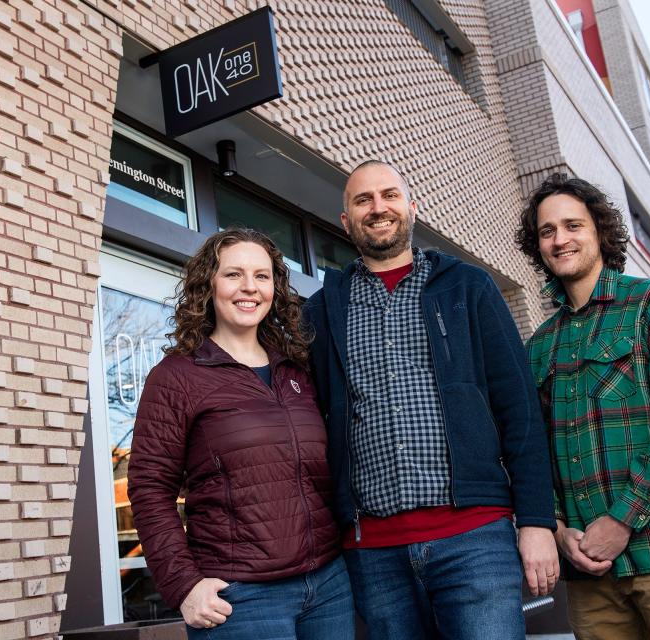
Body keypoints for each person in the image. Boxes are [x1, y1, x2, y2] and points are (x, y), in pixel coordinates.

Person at [302, 160, 558, 640]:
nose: (378, 208)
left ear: (412, 207)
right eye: (363, 200)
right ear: (345, 220)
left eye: (389, 196)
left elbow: (519, 409)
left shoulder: (468, 287)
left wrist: (538, 521)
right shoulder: (321, 310)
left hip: (475, 540)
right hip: (373, 553)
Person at [515, 173, 650, 639]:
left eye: (572, 225)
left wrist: (621, 520)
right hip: (589, 572)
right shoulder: (538, 346)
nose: (561, 240)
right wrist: (557, 528)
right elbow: (533, 451)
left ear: (599, 230)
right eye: (547, 231)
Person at [127, 229, 354, 639]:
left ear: (275, 288)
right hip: (243, 597)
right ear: (208, 284)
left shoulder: (297, 370)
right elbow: (148, 489)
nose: (249, 287)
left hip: (328, 587)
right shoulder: (178, 377)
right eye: (234, 274)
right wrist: (184, 585)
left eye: (262, 276)